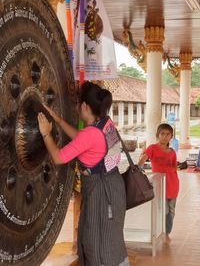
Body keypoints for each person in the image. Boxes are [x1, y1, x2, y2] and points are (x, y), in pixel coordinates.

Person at [37, 82, 129, 266]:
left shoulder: (90, 134)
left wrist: (46, 134)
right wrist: (58, 120)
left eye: (78, 104)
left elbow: (58, 157)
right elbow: (82, 140)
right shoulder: (105, 124)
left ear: (85, 106)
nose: (77, 107)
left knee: (97, 240)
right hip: (113, 187)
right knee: (110, 236)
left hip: (101, 194)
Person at [137, 124, 179, 237]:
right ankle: (162, 232)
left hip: (173, 184)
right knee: (163, 210)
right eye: (162, 134)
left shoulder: (172, 152)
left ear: (171, 137)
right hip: (160, 184)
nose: (165, 137)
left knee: (171, 211)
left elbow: (174, 167)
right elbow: (143, 159)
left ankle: (167, 232)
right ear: (157, 135)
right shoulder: (152, 148)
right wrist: (137, 168)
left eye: (168, 134)